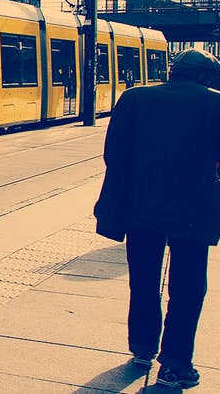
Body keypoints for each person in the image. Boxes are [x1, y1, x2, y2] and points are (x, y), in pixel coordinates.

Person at [94, 48, 220, 389]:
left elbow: (114, 155)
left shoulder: (134, 99)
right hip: (194, 212)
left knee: (144, 281)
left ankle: (143, 348)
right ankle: (175, 366)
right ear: (206, 76)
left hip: (141, 210)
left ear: (173, 71)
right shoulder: (215, 103)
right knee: (188, 288)